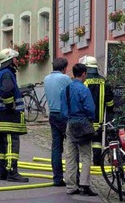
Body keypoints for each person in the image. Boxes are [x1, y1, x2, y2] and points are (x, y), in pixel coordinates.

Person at [0, 48, 28, 183]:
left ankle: (2, 172)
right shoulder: (7, 74)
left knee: (1, 144)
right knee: (12, 143)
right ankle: (12, 171)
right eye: (15, 58)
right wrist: (11, 105)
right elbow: (6, 92)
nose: (17, 61)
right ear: (10, 60)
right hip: (8, 117)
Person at [61, 62, 98, 196]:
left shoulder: (66, 89)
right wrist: (90, 120)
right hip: (83, 124)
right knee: (86, 156)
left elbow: (63, 110)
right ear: (83, 74)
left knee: (70, 156)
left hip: (70, 124)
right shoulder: (84, 89)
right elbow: (90, 108)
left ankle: (71, 186)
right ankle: (84, 185)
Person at [81, 55, 114, 166]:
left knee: (84, 142)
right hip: (99, 119)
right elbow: (109, 100)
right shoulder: (103, 81)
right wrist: (110, 111)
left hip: (85, 119)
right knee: (97, 142)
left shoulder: (83, 81)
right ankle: (97, 163)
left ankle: (84, 165)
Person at [43, 57, 71, 187]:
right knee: (71, 146)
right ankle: (73, 177)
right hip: (64, 114)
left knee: (56, 147)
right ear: (64, 68)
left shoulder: (46, 79)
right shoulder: (65, 79)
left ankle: (57, 178)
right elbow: (72, 94)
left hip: (52, 114)